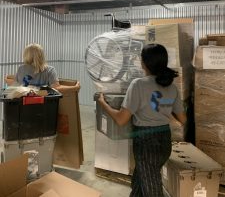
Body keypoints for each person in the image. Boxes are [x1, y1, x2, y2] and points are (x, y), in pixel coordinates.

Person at [98, 43, 186, 197]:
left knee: (152, 189)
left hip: (146, 143)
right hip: (165, 141)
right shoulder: (172, 87)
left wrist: (103, 104)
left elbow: (121, 119)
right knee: (140, 179)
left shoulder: (138, 84)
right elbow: (183, 119)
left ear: (144, 62)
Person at [5, 43, 80, 91]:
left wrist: (7, 79)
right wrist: (75, 88)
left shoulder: (21, 69)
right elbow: (56, 88)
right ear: (41, 55)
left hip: (24, 105)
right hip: (43, 107)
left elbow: (17, 83)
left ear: (26, 55)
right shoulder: (50, 70)